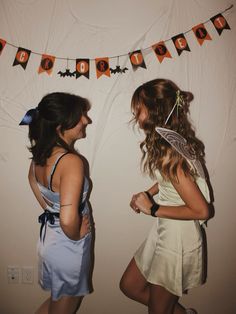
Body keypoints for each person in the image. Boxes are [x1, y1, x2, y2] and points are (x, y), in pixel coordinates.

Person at [120, 79, 212, 314]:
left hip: (177, 238)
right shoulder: (169, 142)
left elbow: (202, 211)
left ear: (154, 110)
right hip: (165, 230)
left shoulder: (171, 154)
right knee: (130, 286)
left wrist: (152, 208)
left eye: (138, 108)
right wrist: (149, 193)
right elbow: (170, 181)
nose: (135, 114)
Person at [20, 92, 93, 314]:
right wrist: (75, 233)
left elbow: (36, 189)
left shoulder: (39, 158)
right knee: (64, 306)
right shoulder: (71, 162)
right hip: (68, 245)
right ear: (61, 125)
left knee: (56, 302)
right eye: (81, 116)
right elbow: (68, 218)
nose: (86, 120)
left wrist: (59, 217)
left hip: (51, 239)